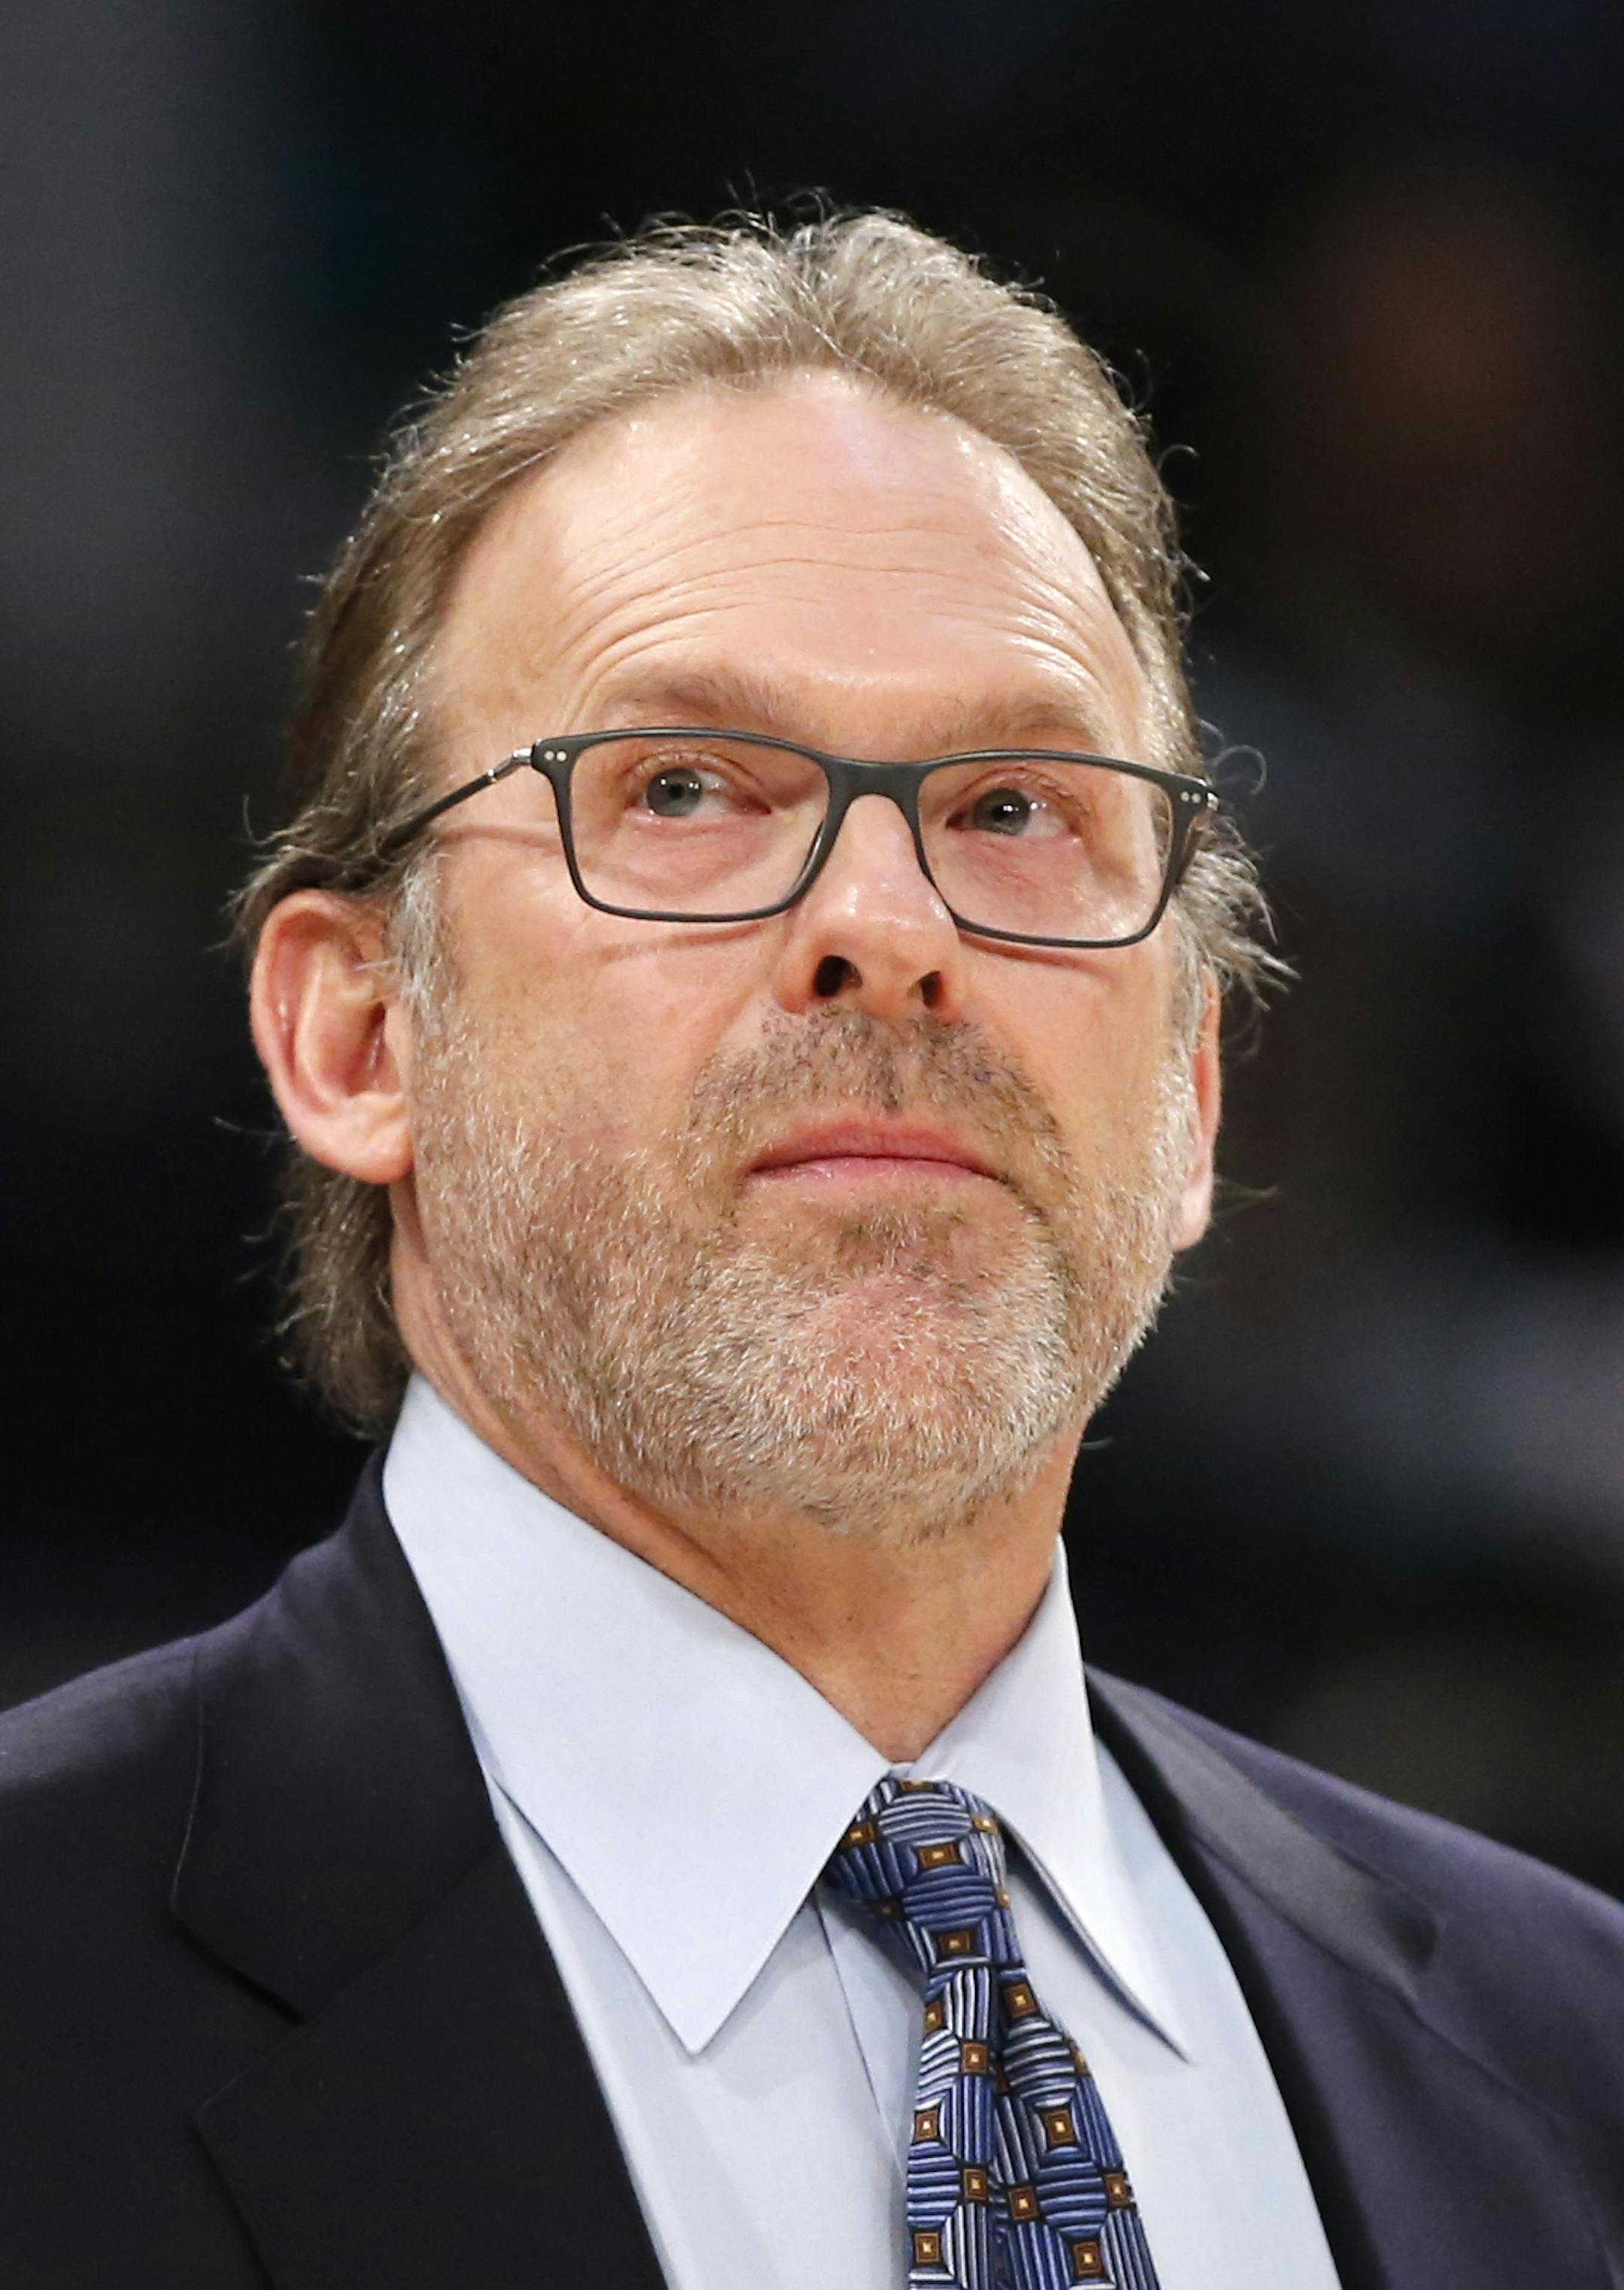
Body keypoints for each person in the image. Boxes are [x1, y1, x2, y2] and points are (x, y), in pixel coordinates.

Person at [0, 212, 1619, 2290]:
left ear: (1196, 1088)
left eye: (1021, 811)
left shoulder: (1573, 2064)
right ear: (358, 1034)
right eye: (683, 786)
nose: (895, 923)